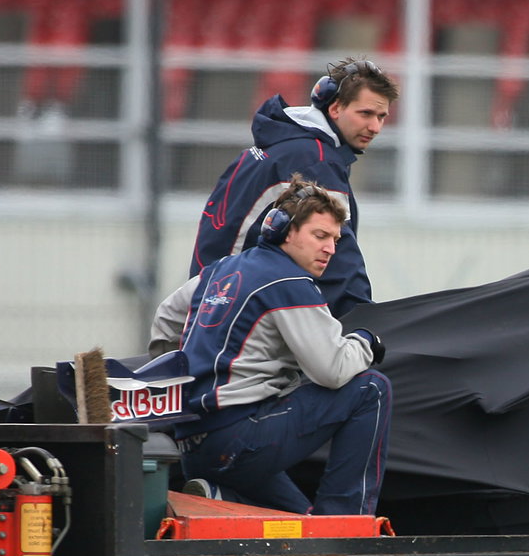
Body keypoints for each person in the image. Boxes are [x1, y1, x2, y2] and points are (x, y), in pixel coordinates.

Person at [150, 176, 392, 516]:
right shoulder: (290, 281)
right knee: (372, 389)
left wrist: (177, 380)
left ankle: (221, 497)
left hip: (192, 446)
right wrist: (365, 341)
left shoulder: (217, 272)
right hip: (242, 440)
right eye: (320, 235)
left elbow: (165, 319)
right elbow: (333, 370)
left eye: (336, 240)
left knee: (301, 525)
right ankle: (346, 520)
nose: (331, 249)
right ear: (284, 230)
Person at [191, 57, 398, 317]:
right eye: (365, 114)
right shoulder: (316, 160)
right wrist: (363, 324)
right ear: (335, 109)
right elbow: (338, 261)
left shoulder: (284, 142)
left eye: (381, 116)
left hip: (213, 301)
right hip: (239, 310)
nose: (375, 127)